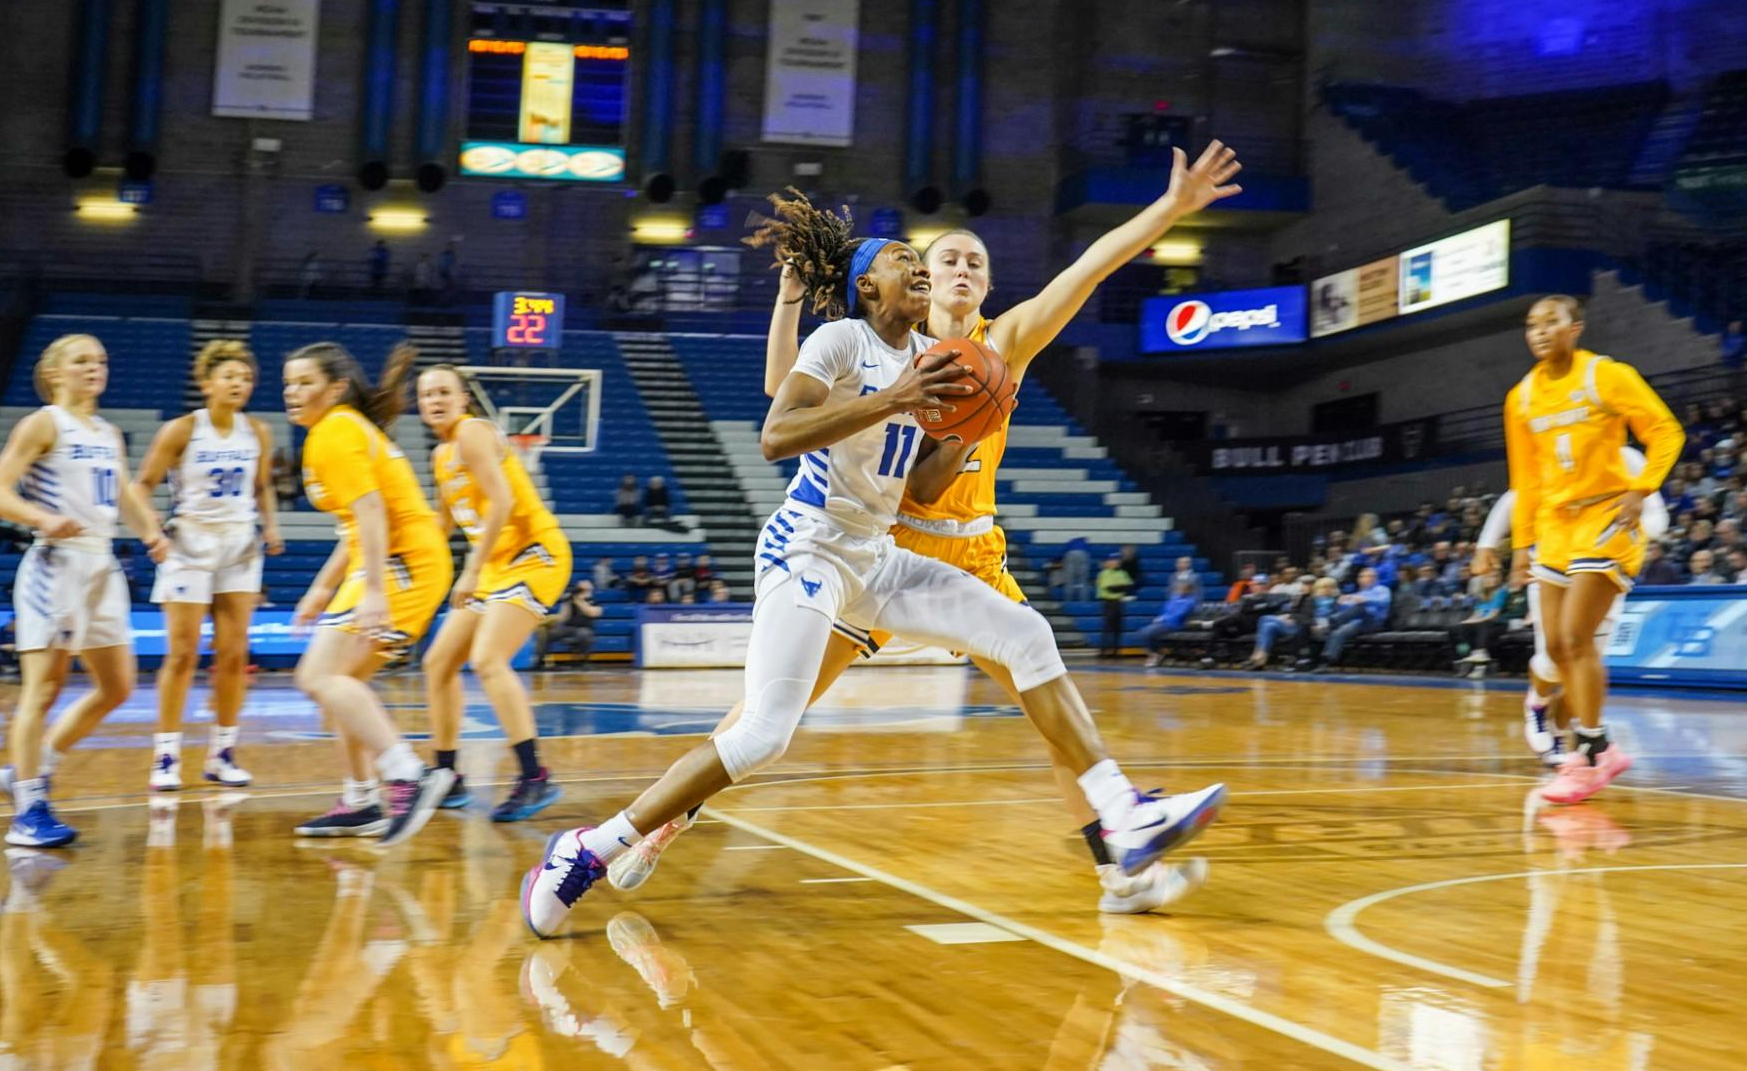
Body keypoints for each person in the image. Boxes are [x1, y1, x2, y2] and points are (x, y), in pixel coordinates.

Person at [520, 205, 1230, 938]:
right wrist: (868, 372)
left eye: (950, 261)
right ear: (867, 286)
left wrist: (969, 428)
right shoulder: (843, 341)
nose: (927, 268)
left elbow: (924, 483)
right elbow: (775, 435)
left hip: (887, 556)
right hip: (811, 549)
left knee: (1028, 635)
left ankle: (1124, 817)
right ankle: (590, 847)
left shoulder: (942, 358)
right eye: (908, 258)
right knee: (764, 730)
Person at [0, 333, 172, 848]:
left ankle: (29, 768)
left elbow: (124, 492)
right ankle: (28, 811)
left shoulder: (108, 431)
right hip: (56, 564)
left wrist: (151, 530)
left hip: (101, 564)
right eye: (82, 361)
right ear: (56, 372)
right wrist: (42, 516)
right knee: (43, 689)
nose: (95, 368)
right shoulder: (43, 423)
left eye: (101, 360)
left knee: (117, 687)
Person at [1504, 295, 1682, 804]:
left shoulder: (1606, 375)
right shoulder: (1520, 398)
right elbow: (1526, 478)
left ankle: (1585, 754)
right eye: (1531, 324)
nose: (1539, 331)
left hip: (1607, 516)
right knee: (1557, 649)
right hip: (1554, 527)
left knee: (1577, 638)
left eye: (1551, 322)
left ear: (1575, 328)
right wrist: (1521, 545)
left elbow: (1666, 431)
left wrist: (1641, 487)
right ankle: (1601, 749)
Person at [284, 342, 453, 845]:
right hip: (395, 560)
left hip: (401, 563)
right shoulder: (341, 428)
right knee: (341, 691)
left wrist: (375, 590)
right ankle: (360, 801)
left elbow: (373, 514)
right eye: (288, 383)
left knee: (318, 676)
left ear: (335, 388)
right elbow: (356, 525)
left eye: (304, 382)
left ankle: (409, 774)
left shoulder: (334, 432)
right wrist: (322, 587)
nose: (292, 393)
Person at [417, 364, 573, 821]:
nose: (435, 400)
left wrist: (469, 569)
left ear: (464, 398)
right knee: (438, 661)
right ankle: (447, 775)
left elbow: (502, 501)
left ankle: (534, 777)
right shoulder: (441, 455)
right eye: (426, 395)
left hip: (534, 553)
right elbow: (441, 526)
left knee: (487, 659)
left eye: (444, 391)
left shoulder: (472, 433)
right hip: (495, 567)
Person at [129, 340, 283, 793]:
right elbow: (141, 486)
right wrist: (151, 532)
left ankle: (223, 753)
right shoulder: (181, 430)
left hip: (238, 548)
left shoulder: (257, 430)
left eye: (247, 378)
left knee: (234, 655)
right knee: (182, 654)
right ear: (206, 383)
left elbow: (262, 488)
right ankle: (166, 755)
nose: (240, 384)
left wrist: (271, 526)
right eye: (230, 376)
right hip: (189, 546)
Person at [1477, 443, 1671, 766]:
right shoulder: (1561, 447)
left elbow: (1658, 515)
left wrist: (1630, 529)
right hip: (1553, 564)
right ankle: (1537, 704)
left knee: (1585, 665)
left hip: (1605, 571)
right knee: (1556, 659)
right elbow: (1516, 498)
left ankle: (1559, 726)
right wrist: (1487, 543)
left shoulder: (1627, 459)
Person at [1316, 567, 1392, 668]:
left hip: (1375, 621)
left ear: (1376, 578)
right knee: (1338, 633)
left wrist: (1366, 600)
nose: (1368, 578)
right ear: (1359, 579)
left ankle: (1335, 621)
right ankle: (1326, 661)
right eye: (1364, 576)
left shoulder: (1382, 589)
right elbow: (1348, 609)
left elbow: (1384, 602)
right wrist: (1341, 602)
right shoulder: (1356, 594)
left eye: (1371, 576)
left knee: (1361, 606)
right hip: (1358, 623)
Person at [539, 579, 601, 670]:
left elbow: (591, 612)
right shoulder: (571, 600)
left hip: (584, 628)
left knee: (584, 634)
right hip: (568, 628)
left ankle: (583, 661)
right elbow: (563, 618)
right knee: (549, 634)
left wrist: (579, 601)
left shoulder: (594, 601)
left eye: (585, 589)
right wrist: (566, 603)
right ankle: (542, 660)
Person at [1096, 555, 1134, 658]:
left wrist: (1120, 587)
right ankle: (1103, 651)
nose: (1114, 563)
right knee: (1107, 627)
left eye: (1116, 561)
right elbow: (1110, 588)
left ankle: (1116, 651)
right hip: (1108, 602)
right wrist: (1121, 587)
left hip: (1119, 602)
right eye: (1111, 561)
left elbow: (1128, 586)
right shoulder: (1104, 574)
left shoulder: (1123, 573)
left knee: (1118, 627)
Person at [1060, 537, 1092, 604]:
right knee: (1083, 582)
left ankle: (1068, 601)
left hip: (1070, 554)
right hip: (1083, 554)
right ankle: (1083, 602)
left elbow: (1063, 552)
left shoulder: (1071, 542)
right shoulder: (1084, 542)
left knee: (1069, 582)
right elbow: (1089, 552)